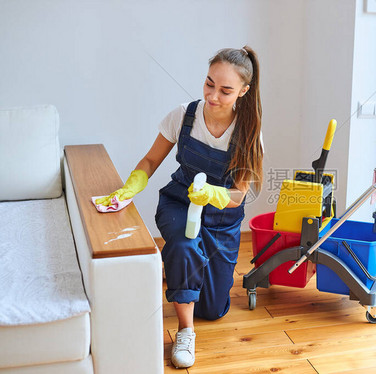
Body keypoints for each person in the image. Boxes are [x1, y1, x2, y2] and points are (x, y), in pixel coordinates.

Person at [96, 46, 263, 369]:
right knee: (185, 244)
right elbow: (149, 160)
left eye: (226, 90)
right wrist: (130, 187)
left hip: (222, 218)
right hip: (178, 202)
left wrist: (212, 195)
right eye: (209, 83)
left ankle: (177, 271)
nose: (213, 96)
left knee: (213, 309)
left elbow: (238, 196)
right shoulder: (184, 116)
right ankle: (185, 332)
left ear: (243, 91)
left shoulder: (249, 133)